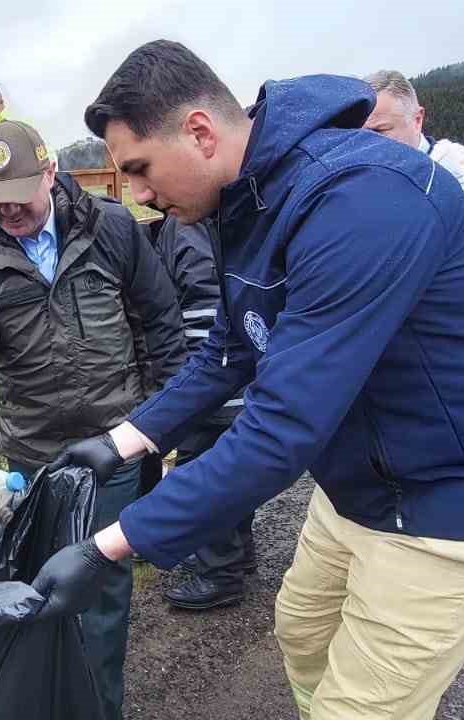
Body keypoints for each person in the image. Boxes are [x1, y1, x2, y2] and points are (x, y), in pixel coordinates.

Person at [38, 41, 464, 720]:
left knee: (361, 708)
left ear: (199, 131)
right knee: (304, 635)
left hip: (459, 498)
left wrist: (109, 546)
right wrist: (122, 441)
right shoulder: (247, 198)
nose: (138, 194)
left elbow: (281, 426)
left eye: (140, 168)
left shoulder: (360, 199)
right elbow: (232, 347)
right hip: (364, 483)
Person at [0, 119, 185, 718]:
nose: (10, 211)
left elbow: (159, 324)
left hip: (114, 443)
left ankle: (99, 708)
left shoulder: (112, 227)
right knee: (42, 588)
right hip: (34, 452)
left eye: (21, 193)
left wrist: (165, 423)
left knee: (99, 596)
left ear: (50, 173)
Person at [146, 216, 254, 611]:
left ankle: (218, 572)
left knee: (203, 472)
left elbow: (201, 295)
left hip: (211, 373)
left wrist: (182, 376)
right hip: (234, 373)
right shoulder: (222, 217)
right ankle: (239, 553)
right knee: (235, 467)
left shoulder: (186, 225)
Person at [364, 70, 464, 286]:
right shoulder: (358, 179)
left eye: (381, 130)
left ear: (418, 119)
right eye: (359, 134)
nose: (368, 144)